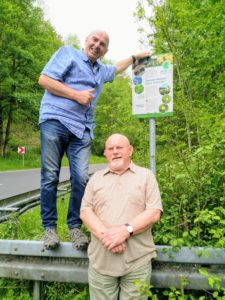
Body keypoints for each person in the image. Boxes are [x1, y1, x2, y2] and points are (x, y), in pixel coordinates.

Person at [38, 30, 150, 251]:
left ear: (105, 51)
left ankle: (74, 227)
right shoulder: (68, 54)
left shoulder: (101, 71)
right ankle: (49, 228)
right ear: (86, 40)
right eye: (94, 40)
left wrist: (135, 57)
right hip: (55, 120)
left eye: (103, 44)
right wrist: (75, 95)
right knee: (50, 176)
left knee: (81, 179)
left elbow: (117, 68)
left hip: (82, 130)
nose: (97, 45)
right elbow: (44, 80)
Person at [80, 133, 163, 300]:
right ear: (105, 153)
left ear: (130, 150)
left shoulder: (146, 176)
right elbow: (85, 211)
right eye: (110, 148)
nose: (115, 151)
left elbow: (154, 212)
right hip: (101, 262)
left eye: (119, 147)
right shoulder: (95, 179)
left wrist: (126, 231)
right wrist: (108, 237)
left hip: (137, 261)